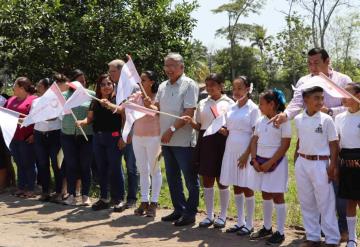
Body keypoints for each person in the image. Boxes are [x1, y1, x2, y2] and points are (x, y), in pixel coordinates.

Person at [271, 48, 351, 241]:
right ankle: (316, 234)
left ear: (327, 61)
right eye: (310, 63)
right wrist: (284, 115)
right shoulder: (304, 82)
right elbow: (296, 104)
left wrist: (328, 111)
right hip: (311, 146)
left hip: (341, 139)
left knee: (338, 190)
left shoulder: (342, 80)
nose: (312, 66)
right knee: (311, 197)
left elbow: (351, 104)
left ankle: (342, 231)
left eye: (316, 62)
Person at [144, 53, 200, 226]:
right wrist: (149, 105)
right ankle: (178, 209)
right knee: (173, 177)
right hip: (166, 140)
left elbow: (188, 113)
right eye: (166, 65)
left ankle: (190, 213)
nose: (168, 69)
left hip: (183, 141)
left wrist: (172, 129)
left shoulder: (189, 85)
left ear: (181, 67)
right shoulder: (162, 86)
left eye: (172, 65)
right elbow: (158, 108)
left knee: (190, 179)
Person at [182, 73, 234, 228]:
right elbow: (199, 126)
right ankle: (209, 215)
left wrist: (226, 131)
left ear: (221, 85)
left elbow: (234, 127)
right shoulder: (203, 103)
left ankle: (223, 216)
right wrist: (191, 122)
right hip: (205, 142)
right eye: (207, 85)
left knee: (222, 180)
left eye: (213, 84)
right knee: (207, 180)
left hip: (222, 142)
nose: (210, 88)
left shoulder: (230, 103)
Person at [294, 86, 339, 247]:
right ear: (306, 100)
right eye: (316, 98)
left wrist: (332, 165)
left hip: (321, 164)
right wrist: (296, 159)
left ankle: (332, 239)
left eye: (322, 98)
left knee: (325, 201)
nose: (320, 101)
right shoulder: (299, 119)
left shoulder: (327, 119)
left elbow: (334, 144)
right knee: (307, 201)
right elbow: (300, 140)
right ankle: (312, 236)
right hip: (302, 162)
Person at [77, 74, 126, 212]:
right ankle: (104, 198)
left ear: (113, 85)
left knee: (115, 169)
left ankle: (119, 199)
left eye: (109, 84)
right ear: (98, 87)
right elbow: (89, 119)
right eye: (103, 84)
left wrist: (123, 137)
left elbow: (123, 113)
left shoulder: (119, 99)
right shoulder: (95, 101)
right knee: (101, 169)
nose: (106, 87)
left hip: (114, 137)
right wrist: (83, 122)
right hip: (98, 138)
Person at [218, 76, 260, 235]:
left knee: (247, 185)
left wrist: (246, 155)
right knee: (236, 184)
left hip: (245, 151)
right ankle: (240, 221)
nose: (236, 91)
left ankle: (250, 224)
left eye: (239, 88)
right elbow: (228, 128)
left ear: (248, 89)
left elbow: (256, 134)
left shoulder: (253, 108)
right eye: (234, 88)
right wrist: (224, 131)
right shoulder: (231, 107)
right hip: (231, 149)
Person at [248, 89, 291, 244]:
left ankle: (280, 232)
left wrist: (270, 162)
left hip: (276, 164)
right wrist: (254, 160)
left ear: (272, 104)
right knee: (265, 193)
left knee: (277, 195)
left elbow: (285, 144)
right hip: (260, 163)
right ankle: (267, 228)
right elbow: (254, 140)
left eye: (261, 103)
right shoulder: (260, 120)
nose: (259, 106)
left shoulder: (283, 121)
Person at [108, 59, 139, 208]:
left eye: (112, 71)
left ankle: (132, 199)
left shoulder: (132, 87)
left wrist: (127, 135)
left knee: (132, 167)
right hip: (118, 133)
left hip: (131, 133)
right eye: (109, 71)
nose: (110, 74)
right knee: (116, 166)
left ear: (122, 71)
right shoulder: (116, 87)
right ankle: (118, 197)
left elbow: (132, 114)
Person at [131, 71, 162, 217]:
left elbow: (159, 112)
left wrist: (151, 105)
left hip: (153, 138)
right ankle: (144, 200)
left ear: (151, 81)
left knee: (154, 170)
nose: (140, 83)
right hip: (137, 137)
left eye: (143, 80)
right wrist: (110, 105)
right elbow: (123, 109)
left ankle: (154, 203)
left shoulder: (159, 96)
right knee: (142, 170)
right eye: (139, 80)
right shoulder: (136, 96)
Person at [61, 78, 95, 206]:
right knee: (71, 166)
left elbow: (93, 114)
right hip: (67, 135)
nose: (81, 83)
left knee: (85, 166)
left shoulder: (91, 95)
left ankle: (85, 195)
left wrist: (85, 121)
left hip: (87, 135)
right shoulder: (63, 96)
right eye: (77, 80)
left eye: (83, 80)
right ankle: (71, 195)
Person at [334, 83, 360, 247]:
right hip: (346, 165)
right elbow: (337, 145)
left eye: (346, 94)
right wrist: (336, 166)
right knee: (350, 202)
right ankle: (352, 237)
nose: (342, 97)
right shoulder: (339, 118)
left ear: (358, 96)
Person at [5, 77, 37, 198]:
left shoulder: (34, 100)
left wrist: (34, 134)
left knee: (28, 163)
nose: (13, 88)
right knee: (19, 162)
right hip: (13, 136)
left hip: (27, 137)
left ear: (22, 88)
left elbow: (37, 118)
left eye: (15, 86)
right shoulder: (11, 100)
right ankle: (21, 187)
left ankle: (31, 188)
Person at [33, 78, 63, 201]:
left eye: (39, 86)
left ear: (47, 88)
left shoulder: (57, 101)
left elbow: (54, 117)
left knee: (56, 164)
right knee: (42, 164)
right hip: (39, 135)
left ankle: (59, 191)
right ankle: (46, 191)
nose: (36, 88)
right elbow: (33, 118)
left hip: (54, 135)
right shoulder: (35, 101)